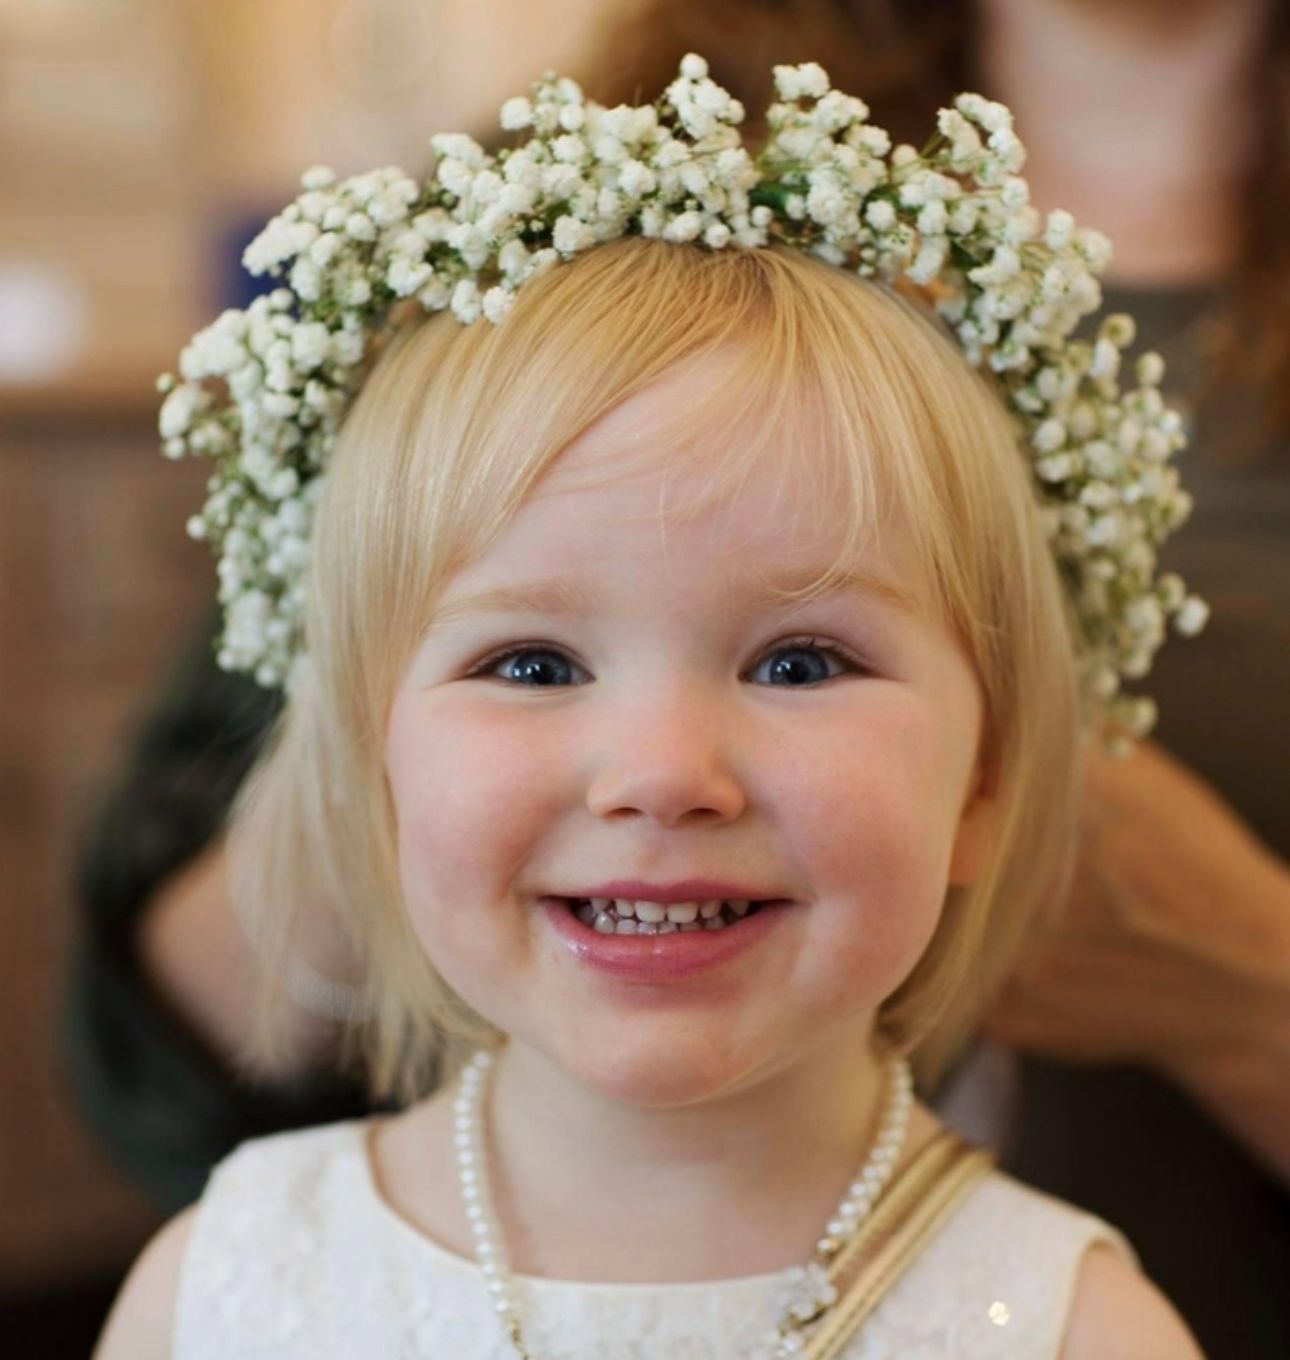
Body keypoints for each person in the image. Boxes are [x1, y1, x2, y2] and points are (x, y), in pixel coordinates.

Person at [65, 3, 1290, 1354]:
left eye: (801, 661)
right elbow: (146, 1021)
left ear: (990, 778)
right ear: (365, 756)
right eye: (531, 662)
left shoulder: (1076, 1326)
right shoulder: (229, 1286)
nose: (659, 770)